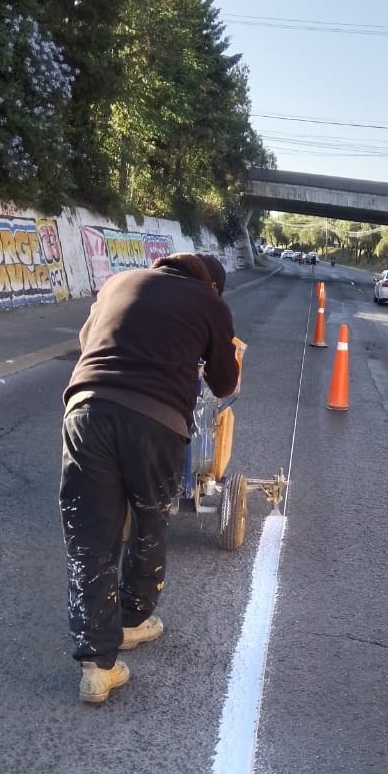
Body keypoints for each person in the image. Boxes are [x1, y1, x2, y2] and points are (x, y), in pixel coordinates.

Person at [59, 251, 239, 705]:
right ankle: (133, 621)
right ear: (213, 285)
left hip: (86, 410)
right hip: (155, 421)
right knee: (149, 520)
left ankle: (96, 669)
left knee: (90, 538)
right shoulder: (209, 302)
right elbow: (223, 383)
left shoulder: (119, 282)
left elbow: (88, 340)